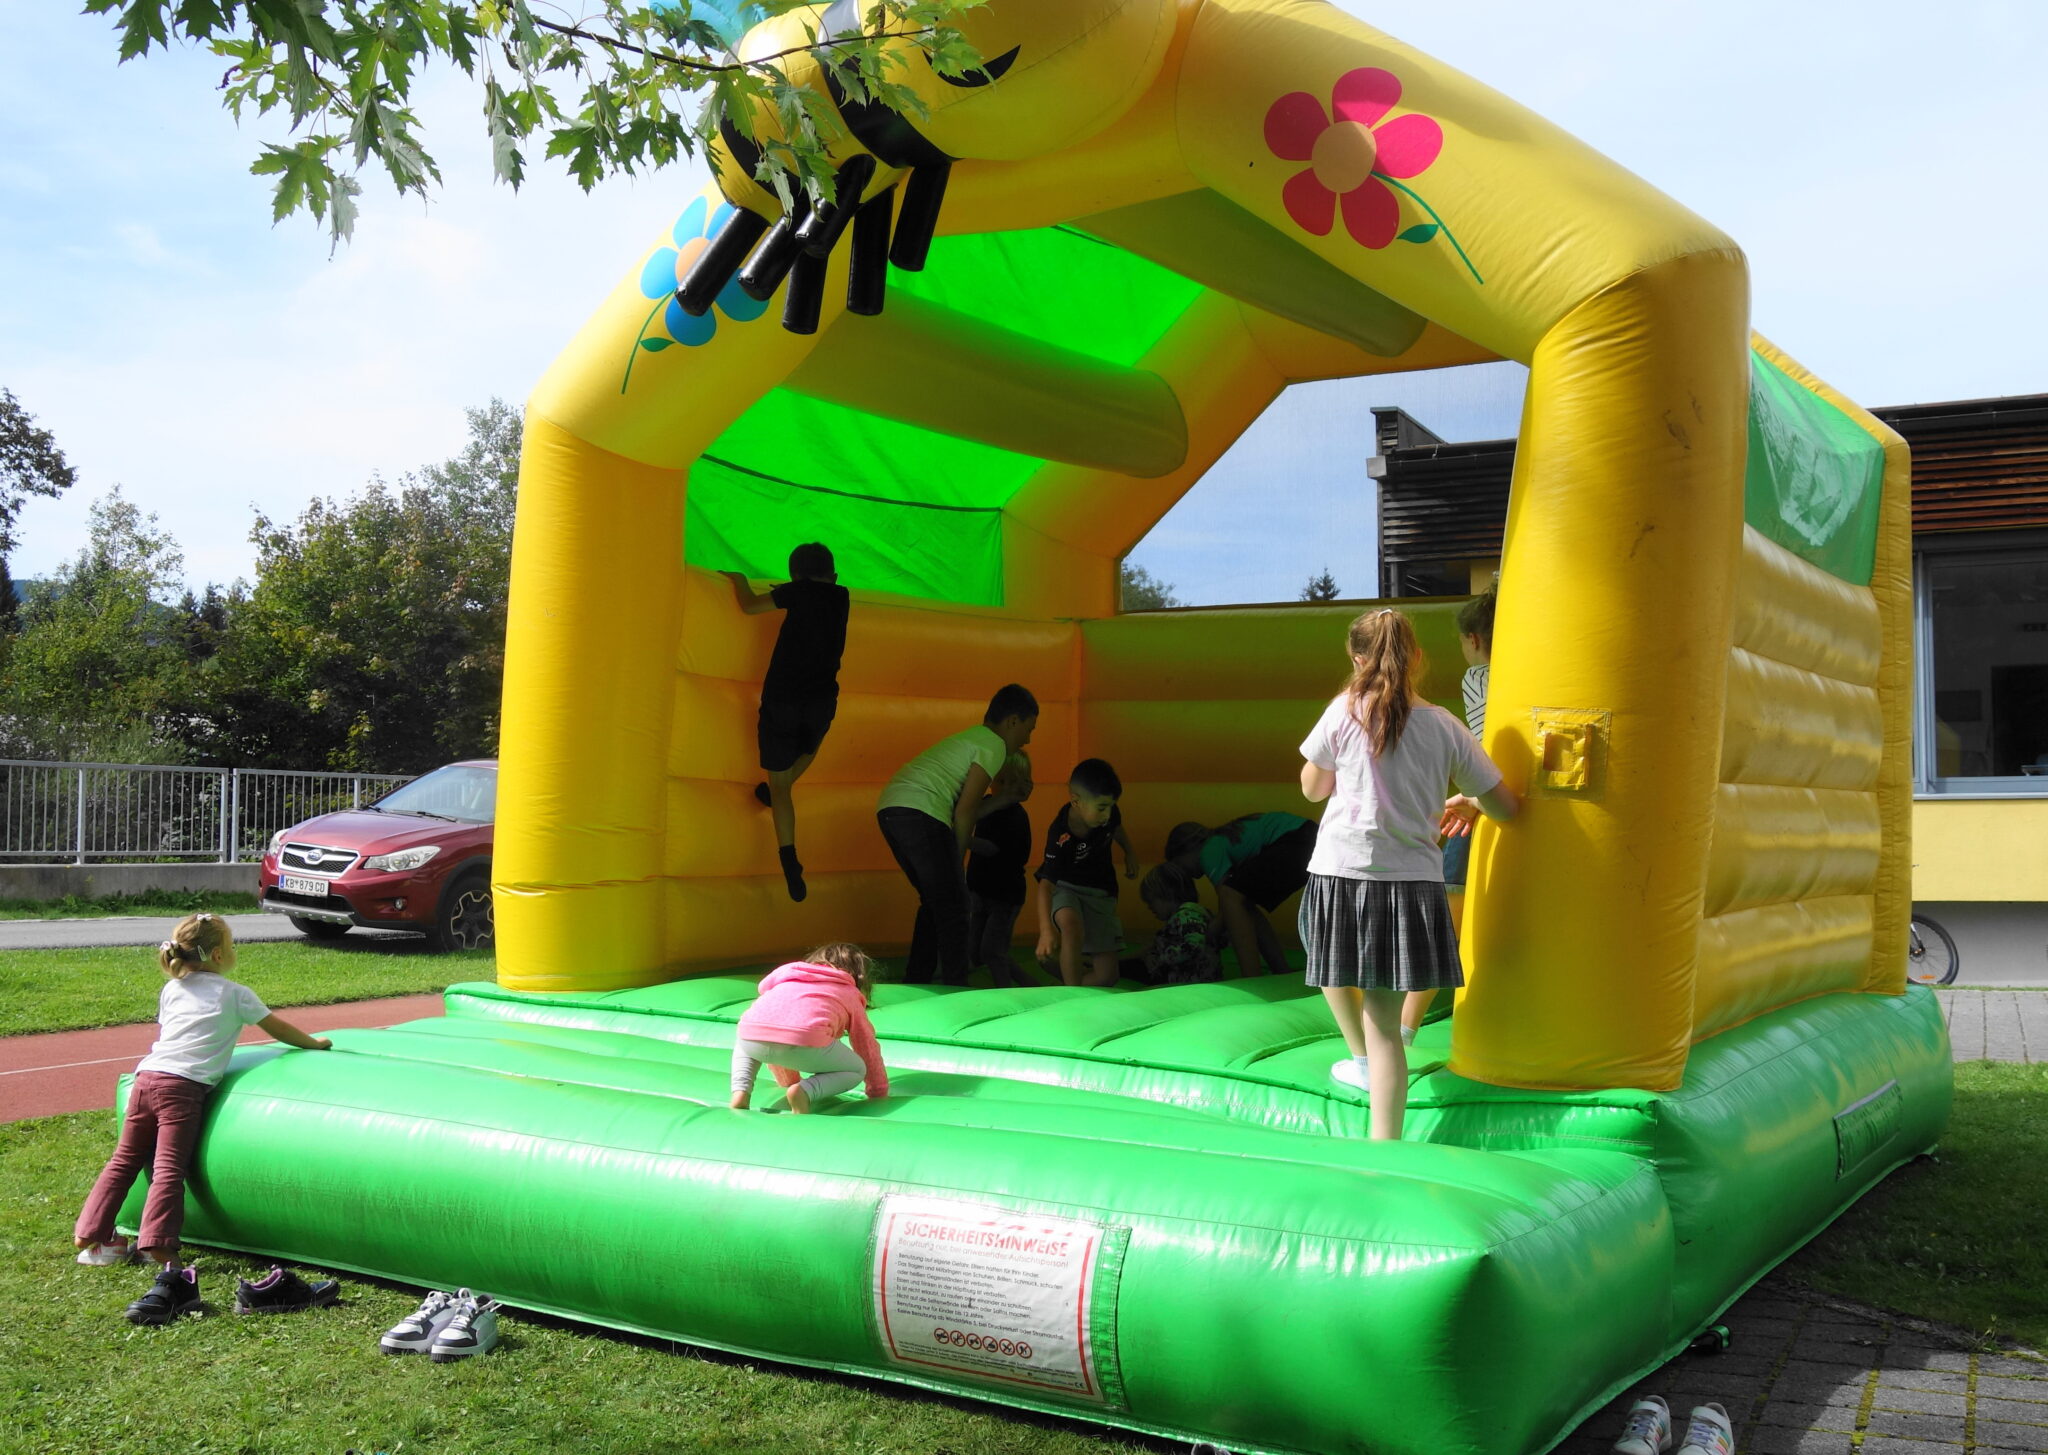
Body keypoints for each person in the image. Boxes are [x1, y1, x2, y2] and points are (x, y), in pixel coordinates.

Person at [1298, 608, 1517, 1141]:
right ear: (1417, 658)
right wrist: (1472, 802)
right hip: (1411, 883)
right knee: (1384, 1022)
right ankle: (1385, 1144)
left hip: (1342, 871)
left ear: (1356, 659)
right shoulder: (1444, 725)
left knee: (1329, 964)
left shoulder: (1343, 710)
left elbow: (1313, 789)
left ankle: (1360, 1063)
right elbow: (1507, 807)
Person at [72, 912, 333, 1324]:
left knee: (124, 1158)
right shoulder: (234, 994)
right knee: (168, 1167)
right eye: (231, 946)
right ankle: (158, 1244)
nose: (234, 952)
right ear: (217, 954)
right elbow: (278, 1029)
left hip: (146, 1078)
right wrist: (314, 1044)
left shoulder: (173, 988)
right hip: (183, 1088)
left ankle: (90, 1233)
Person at [877, 684, 1039, 985]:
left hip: (892, 808)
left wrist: (1006, 798)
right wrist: (957, 864)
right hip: (920, 810)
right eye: (1029, 729)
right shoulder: (994, 744)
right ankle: (956, 985)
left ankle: (918, 978)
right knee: (955, 903)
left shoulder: (973, 738)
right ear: (1013, 721)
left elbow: (965, 808)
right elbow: (964, 813)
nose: (1027, 739)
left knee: (935, 899)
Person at [722, 542, 852, 903]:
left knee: (780, 790)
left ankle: (789, 859)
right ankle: (774, 793)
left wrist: (740, 579)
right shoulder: (842, 596)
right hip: (821, 700)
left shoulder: (795, 593)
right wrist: (792, 590)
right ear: (833, 575)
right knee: (811, 745)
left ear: (795, 576)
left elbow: (750, 606)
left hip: (783, 699)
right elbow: (815, 599)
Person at [1412, 583, 1497, 1041]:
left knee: (1446, 912)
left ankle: (1404, 1024)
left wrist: (1475, 800)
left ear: (1474, 640)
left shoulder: (1478, 677)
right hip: (1506, 804)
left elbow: (1487, 750)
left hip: (1483, 807)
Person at [728, 942, 889, 1114]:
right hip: (804, 1042)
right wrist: (878, 1090)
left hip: (751, 1036)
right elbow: (865, 1043)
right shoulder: (849, 992)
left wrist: (788, 1082)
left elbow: (776, 1030)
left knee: (749, 1036)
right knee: (856, 1069)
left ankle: (741, 1091)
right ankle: (806, 1090)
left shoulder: (785, 981)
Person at [1164, 812, 1319, 977]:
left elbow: (1226, 900)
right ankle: (1280, 970)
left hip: (1295, 840)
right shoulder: (1223, 841)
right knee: (1244, 904)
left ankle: (1251, 975)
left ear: (1189, 849)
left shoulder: (1208, 850)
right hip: (1309, 837)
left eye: (1180, 865)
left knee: (1231, 898)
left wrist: (1212, 930)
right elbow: (1236, 906)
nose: (1185, 874)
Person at [1034, 757, 1138, 988]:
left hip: (1100, 890)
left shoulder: (1109, 815)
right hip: (1065, 887)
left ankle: (1069, 982)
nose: (1107, 814)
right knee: (1071, 926)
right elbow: (1046, 885)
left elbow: (1116, 827)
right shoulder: (1060, 835)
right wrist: (1046, 931)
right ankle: (1073, 993)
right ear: (1076, 801)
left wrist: (1129, 851)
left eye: (1111, 806)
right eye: (1101, 808)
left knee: (1107, 977)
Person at [966, 753, 1037, 988]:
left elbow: (992, 849)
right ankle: (1029, 984)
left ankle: (1008, 993)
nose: (1004, 788)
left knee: (992, 951)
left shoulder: (1015, 816)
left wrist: (962, 839)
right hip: (981, 890)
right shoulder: (987, 804)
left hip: (1005, 896)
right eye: (1000, 781)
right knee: (978, 951)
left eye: (1012, 782)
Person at [1139, 862, 1221, 985]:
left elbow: (1194, 945)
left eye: (1151, 901)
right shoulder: (1186, 917)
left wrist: (1163, 959)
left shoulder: (1187, 916)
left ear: (1168, 894)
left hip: (1194, 983)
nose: (1149, 907)